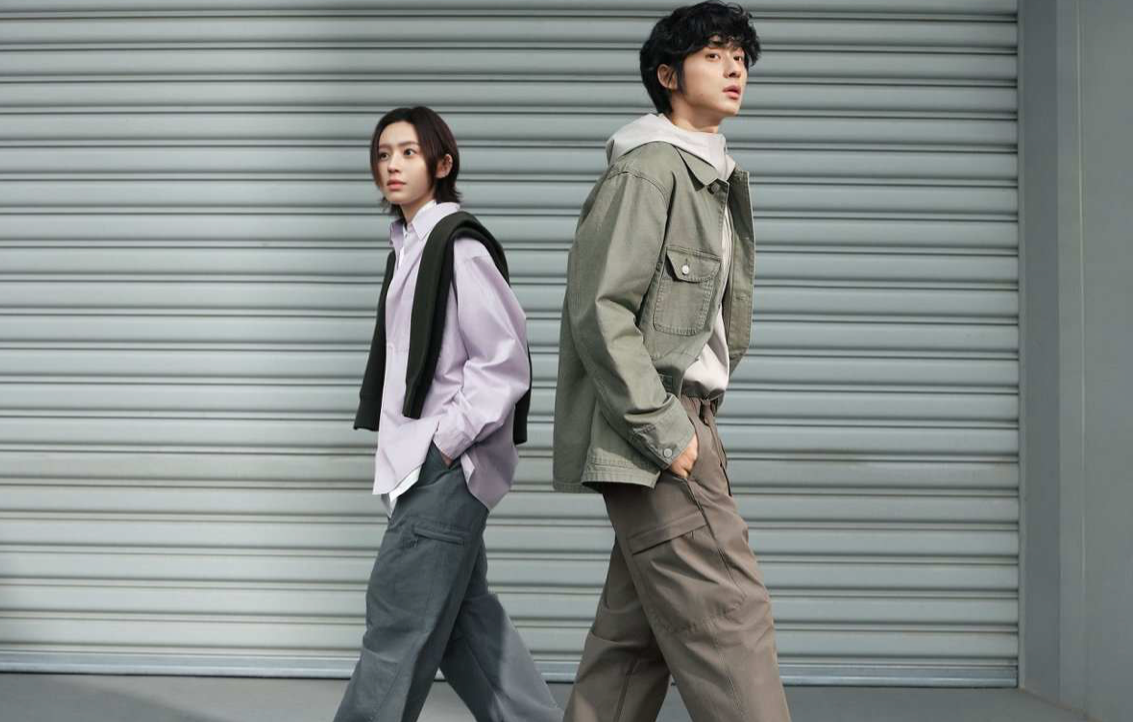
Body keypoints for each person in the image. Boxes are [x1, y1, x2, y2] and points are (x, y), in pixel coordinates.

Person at [553, 3, 792, 721]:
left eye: (740, 56)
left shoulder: (709, 174)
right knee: (729, 619)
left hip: (685, 425)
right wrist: (668, 431)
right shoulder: (651, 171)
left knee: (633, 645)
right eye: (713, 54)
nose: (734, 68)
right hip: (658, 429)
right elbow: (599, 309)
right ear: (667, 75)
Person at [335, 106, 561, 722]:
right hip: (427, 466)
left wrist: (443, 445)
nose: (392, 165)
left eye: (408, 152)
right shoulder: (409, 248)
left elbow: (504, 362)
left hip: (442, 469)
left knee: (397, 620)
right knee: (468, 628)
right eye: (383, 154)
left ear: (442, 164)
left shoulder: (457, 247)